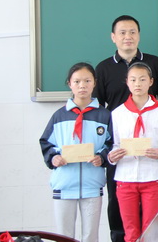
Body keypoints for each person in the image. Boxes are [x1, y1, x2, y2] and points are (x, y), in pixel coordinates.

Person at [94, 14, 158, 242]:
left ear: (139, 35)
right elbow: (98, 110)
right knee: (117, 203)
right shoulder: (104, 68)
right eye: (122, 32)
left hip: (149, 148)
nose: (127, 36)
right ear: (113, 37)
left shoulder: (154, 63)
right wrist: (107, 148)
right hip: (119, 145)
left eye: (132, 32)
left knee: (150, 215)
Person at [40, 63, 112, 242]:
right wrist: (54, 158)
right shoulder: (59, 116)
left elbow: (112, 143)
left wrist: (101, 157)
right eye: (77, 81)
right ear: (69, 84)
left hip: (92, 184)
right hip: (64, 185)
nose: (82, 86)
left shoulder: (104, 115)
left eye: (87, 81)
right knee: (64, 236)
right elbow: (46, 142)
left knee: (90, 236)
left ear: (94, 83)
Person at [107, 62, 158, 242]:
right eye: (133, 80)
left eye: (142, 79)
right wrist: (112, 156)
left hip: (152, 177)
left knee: (151, 231)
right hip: (125, 178)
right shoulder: (117, 113)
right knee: (130, 232)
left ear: (151, 82)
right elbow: (114, 144)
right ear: (127, 82)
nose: (138, 84)